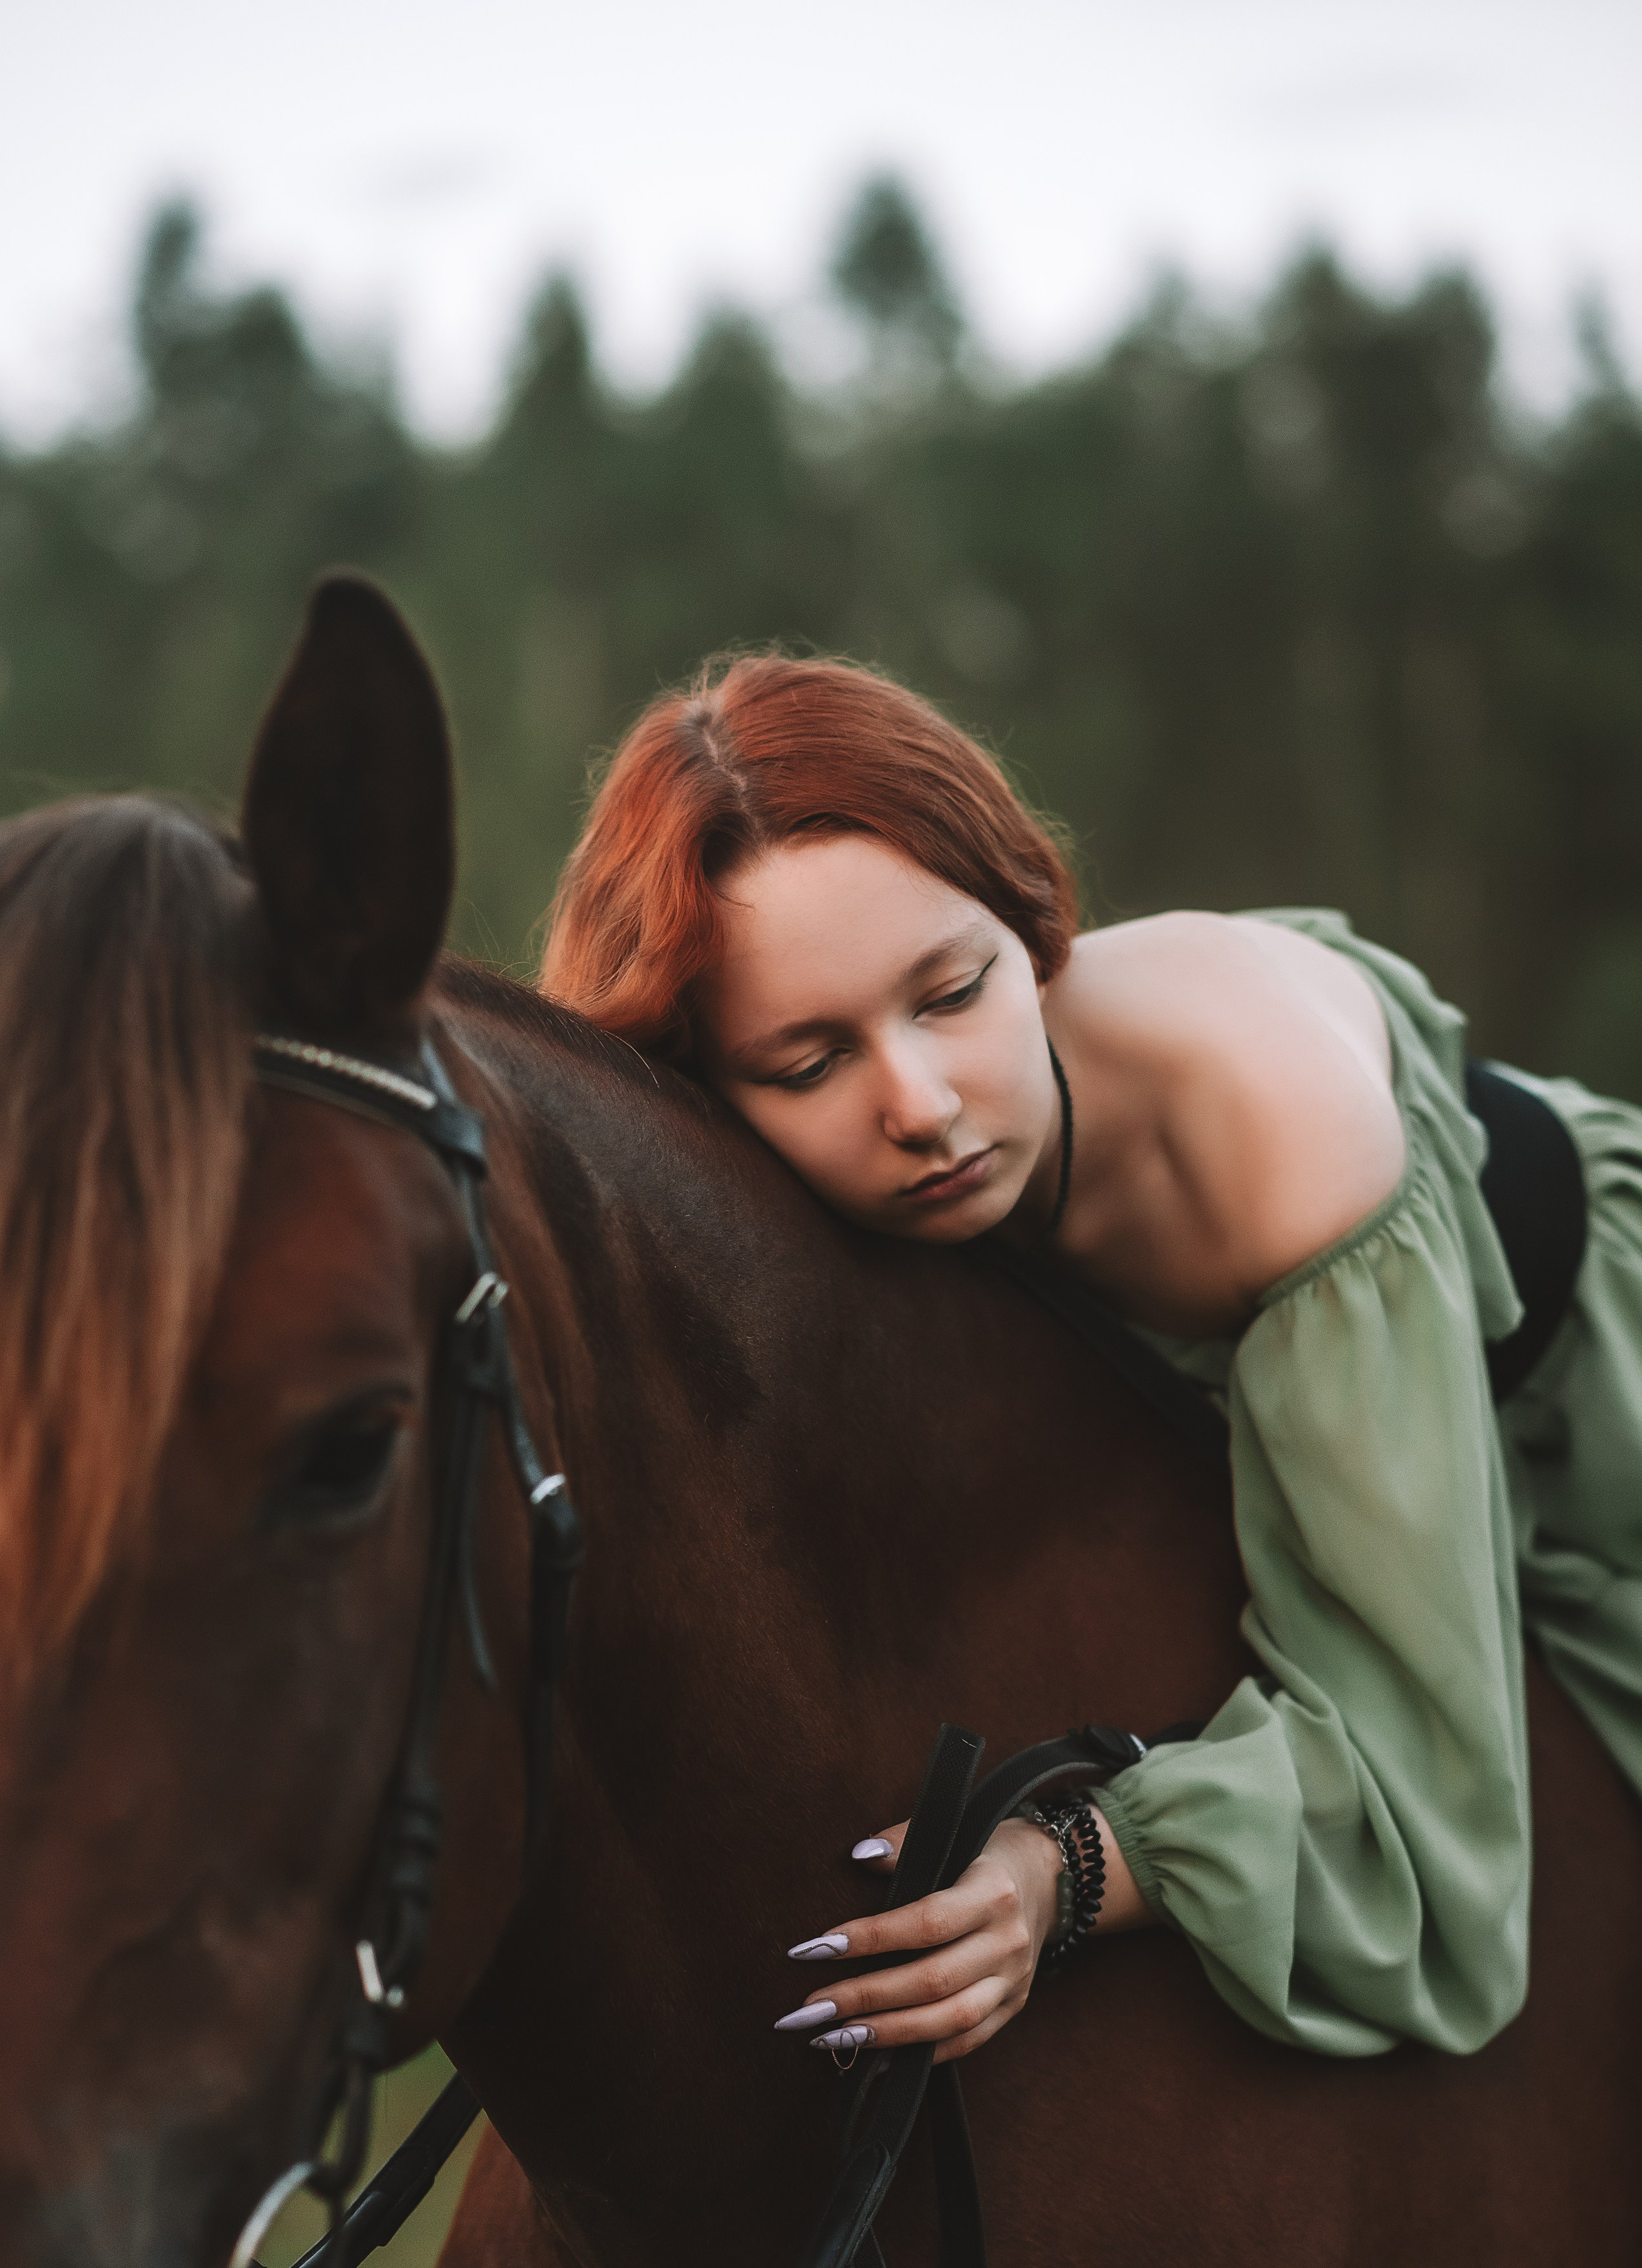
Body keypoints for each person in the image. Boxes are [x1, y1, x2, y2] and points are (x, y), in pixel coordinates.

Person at [537, 655, 1642, 2066]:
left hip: (1599, 1409)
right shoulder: (798, 1212)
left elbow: (1419, 1823)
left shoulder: (1265, 1134)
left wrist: (1068, 1870)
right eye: (807, 1067)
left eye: (950, 993)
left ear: (1030, 924)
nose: (922, 1108)